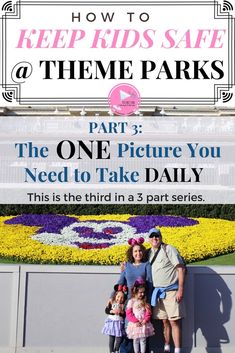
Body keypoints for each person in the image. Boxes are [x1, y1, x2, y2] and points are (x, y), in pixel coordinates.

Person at [147, 228, 186, 353]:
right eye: (152, 236)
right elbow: (136, 261)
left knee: (174, 321)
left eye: (157, 236)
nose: (154, 238)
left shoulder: (169, 249)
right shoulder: (148, 252)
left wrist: (180, 289)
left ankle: (178, 350)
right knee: (164, 322)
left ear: (161, 237)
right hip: (157, 293)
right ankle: (167, 347)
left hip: (171, 291)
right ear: (149, 239)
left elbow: (181, 269)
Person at [114, 237, 153, 353]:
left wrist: (149, 303)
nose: (138, 253)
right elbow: (120, 281)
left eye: (140, 250)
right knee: (130, 328)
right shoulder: (127, 265)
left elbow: (150, 284)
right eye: (135, 251)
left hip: (142, 302)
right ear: (131, 253)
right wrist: (115, 296)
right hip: (130, 302)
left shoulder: (147, 265)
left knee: (142, 330)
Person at [126, 279, 155, 353]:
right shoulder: (131, 301)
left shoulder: (145, 302)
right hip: (135, 324)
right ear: (135, 292)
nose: (142, 294)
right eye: (140, 292)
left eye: (143, 292)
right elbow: (129, 313)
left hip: (143, 324)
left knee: (143, 340)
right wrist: (135, 321)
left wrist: (145, 320)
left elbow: (148, 313)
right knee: (136, 339)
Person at [102, 284, 128, 353]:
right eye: (118, 296)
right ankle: (111, 351)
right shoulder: (112, 302)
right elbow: (106, 310)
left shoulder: (123, 305)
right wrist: (112, 311)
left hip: (119, 323)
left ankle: (116, 350)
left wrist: (121, 312)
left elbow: (125, 314)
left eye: (122, 297)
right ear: (115, 296)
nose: (119, 299)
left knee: (119, 338)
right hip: (112, 322)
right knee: (111, 338)